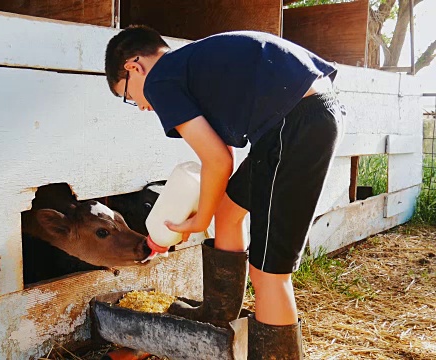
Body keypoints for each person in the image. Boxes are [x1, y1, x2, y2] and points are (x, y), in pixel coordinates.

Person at [104, 25, 344, 359]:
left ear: (134, 67)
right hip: (299, 117)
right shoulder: (190, 66)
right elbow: (222, 155)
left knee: (270, 274)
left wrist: (198, 219)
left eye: (130, 97)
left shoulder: (161, 80)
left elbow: (216, 160)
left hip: (296, 124)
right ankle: (218, 316)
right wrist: (207, 210)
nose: (142, 106)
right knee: (228, 212)